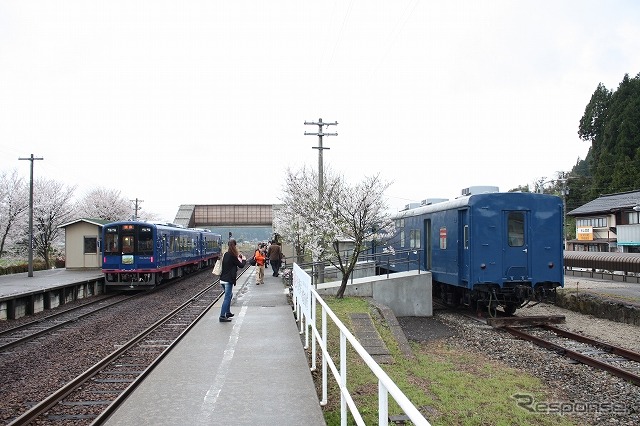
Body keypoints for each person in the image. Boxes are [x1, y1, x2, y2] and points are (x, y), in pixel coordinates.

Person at [219, 238, 246, 322]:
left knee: (229, 295)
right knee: (227, 297)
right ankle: (222, 316)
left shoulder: (226, 254)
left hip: (222, 279)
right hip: (228, 280)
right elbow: (241, 265)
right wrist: (244, 260)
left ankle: (228, 312)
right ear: (235, 246)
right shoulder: (233, 255)